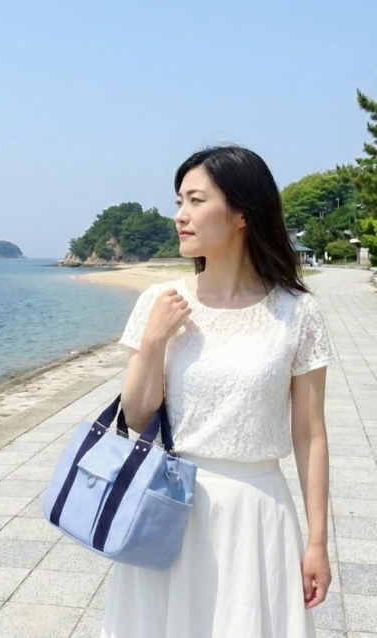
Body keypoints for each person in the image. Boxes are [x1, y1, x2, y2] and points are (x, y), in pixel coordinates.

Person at [101, 145, 335, 638]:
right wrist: (153, 341)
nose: (180, 216)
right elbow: (136, 416)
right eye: (179, 202)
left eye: (196, 200)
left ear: (241, 214)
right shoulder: (161, 301)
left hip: (257, 510)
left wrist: (317, 542)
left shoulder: (296, 312)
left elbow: (311, 434)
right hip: (170, 506)